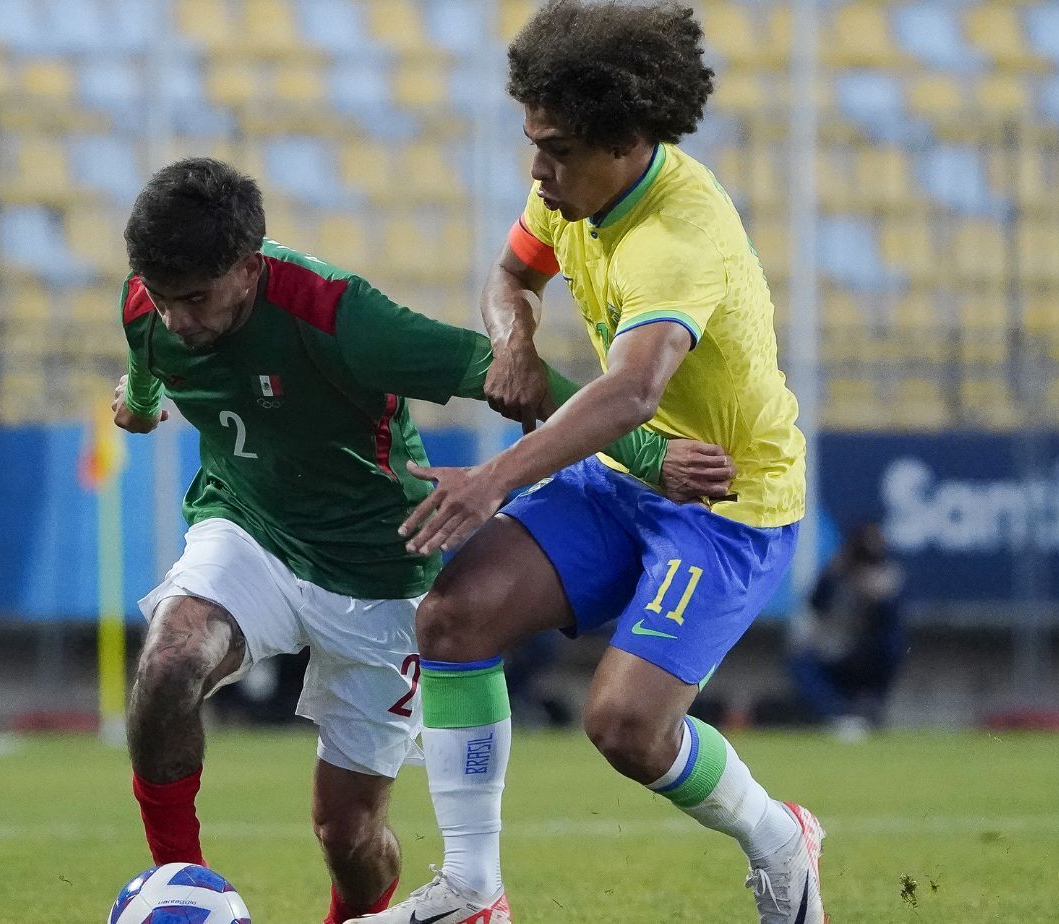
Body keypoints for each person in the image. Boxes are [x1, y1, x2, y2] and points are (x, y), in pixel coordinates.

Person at [113, 157, 732, 924]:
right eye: (164, 300)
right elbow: (147, 362)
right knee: (170, 662)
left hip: (383, 574)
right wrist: (139, 405)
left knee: (348, 831)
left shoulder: (344, 319)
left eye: (196, 300)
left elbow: (506, 373)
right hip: (250, 532)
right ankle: (180, 886)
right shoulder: (151, 299)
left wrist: (648, 455)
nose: (177, 320)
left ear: (248, 268)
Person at [357, 3, 825, 922]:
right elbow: (508, 276)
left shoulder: (677, 237)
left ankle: (781, 839)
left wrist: (495, 477)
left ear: (627, 138)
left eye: (557, 148)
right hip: (621, 482)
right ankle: (473, 891)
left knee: (624, 726)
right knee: (452, 620)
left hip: (727, 504)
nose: (538, 168)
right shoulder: (570, 190)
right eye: (534, 141)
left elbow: (632, 393)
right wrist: (514, 340)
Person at [788, 523, 906, 735]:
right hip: (834, 650)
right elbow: (816, 603)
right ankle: (835, 715)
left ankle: (872, 706)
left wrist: (879, 599)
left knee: (893, 645)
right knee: (800, 661)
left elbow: (893, 626)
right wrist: (837, 575)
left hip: (866, 654)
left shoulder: (887, 577)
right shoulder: (837, 571)